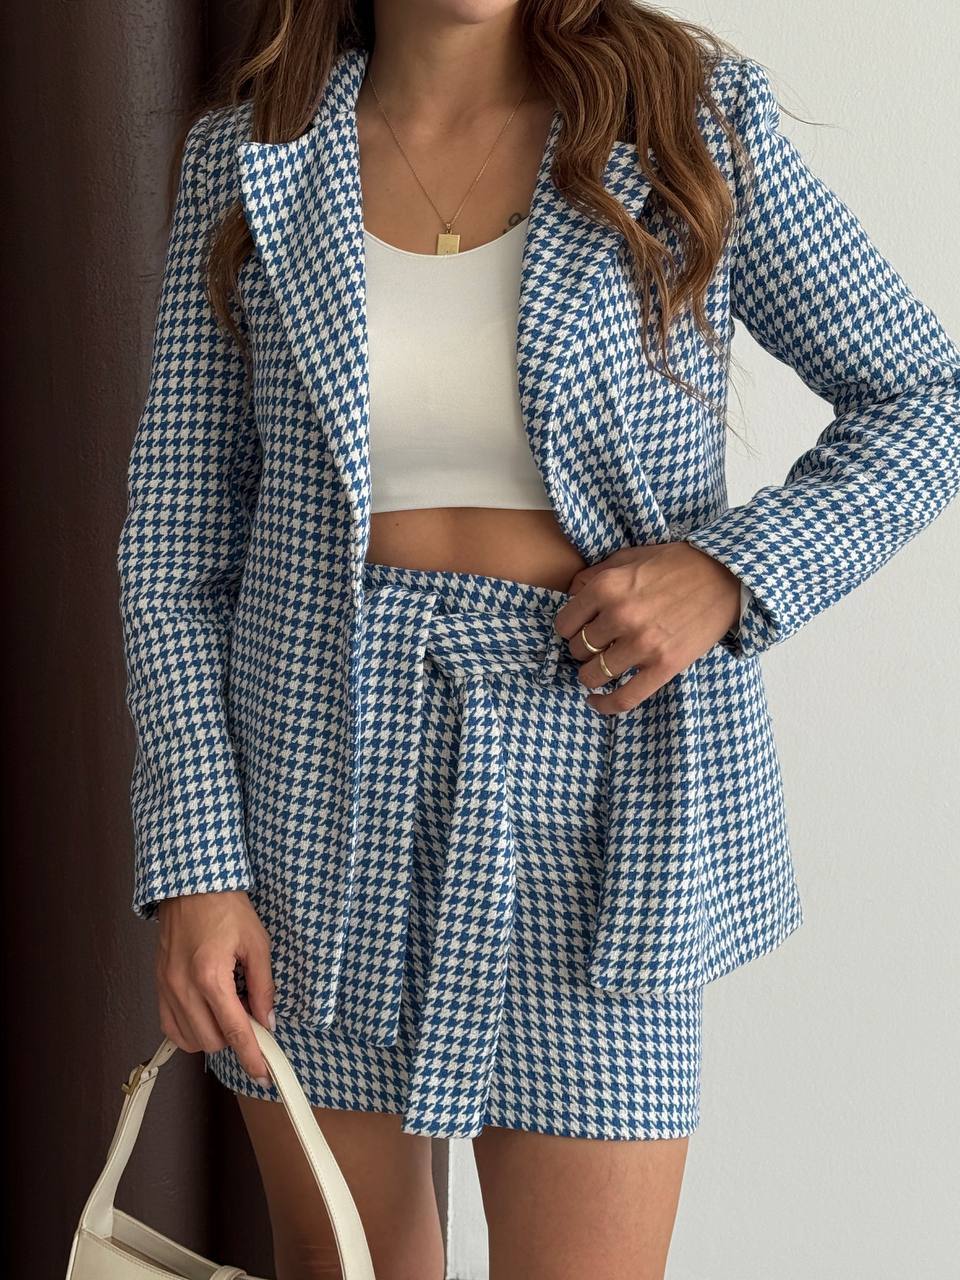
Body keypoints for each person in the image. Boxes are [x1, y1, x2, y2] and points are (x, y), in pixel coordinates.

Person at [115, 2, 960, 1277]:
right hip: (316, 791)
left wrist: (730, 571)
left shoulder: (688, 123)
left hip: (606, 794)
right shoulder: (249, 157)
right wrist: (196, 859)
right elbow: (177, 552)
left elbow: (927, 397)